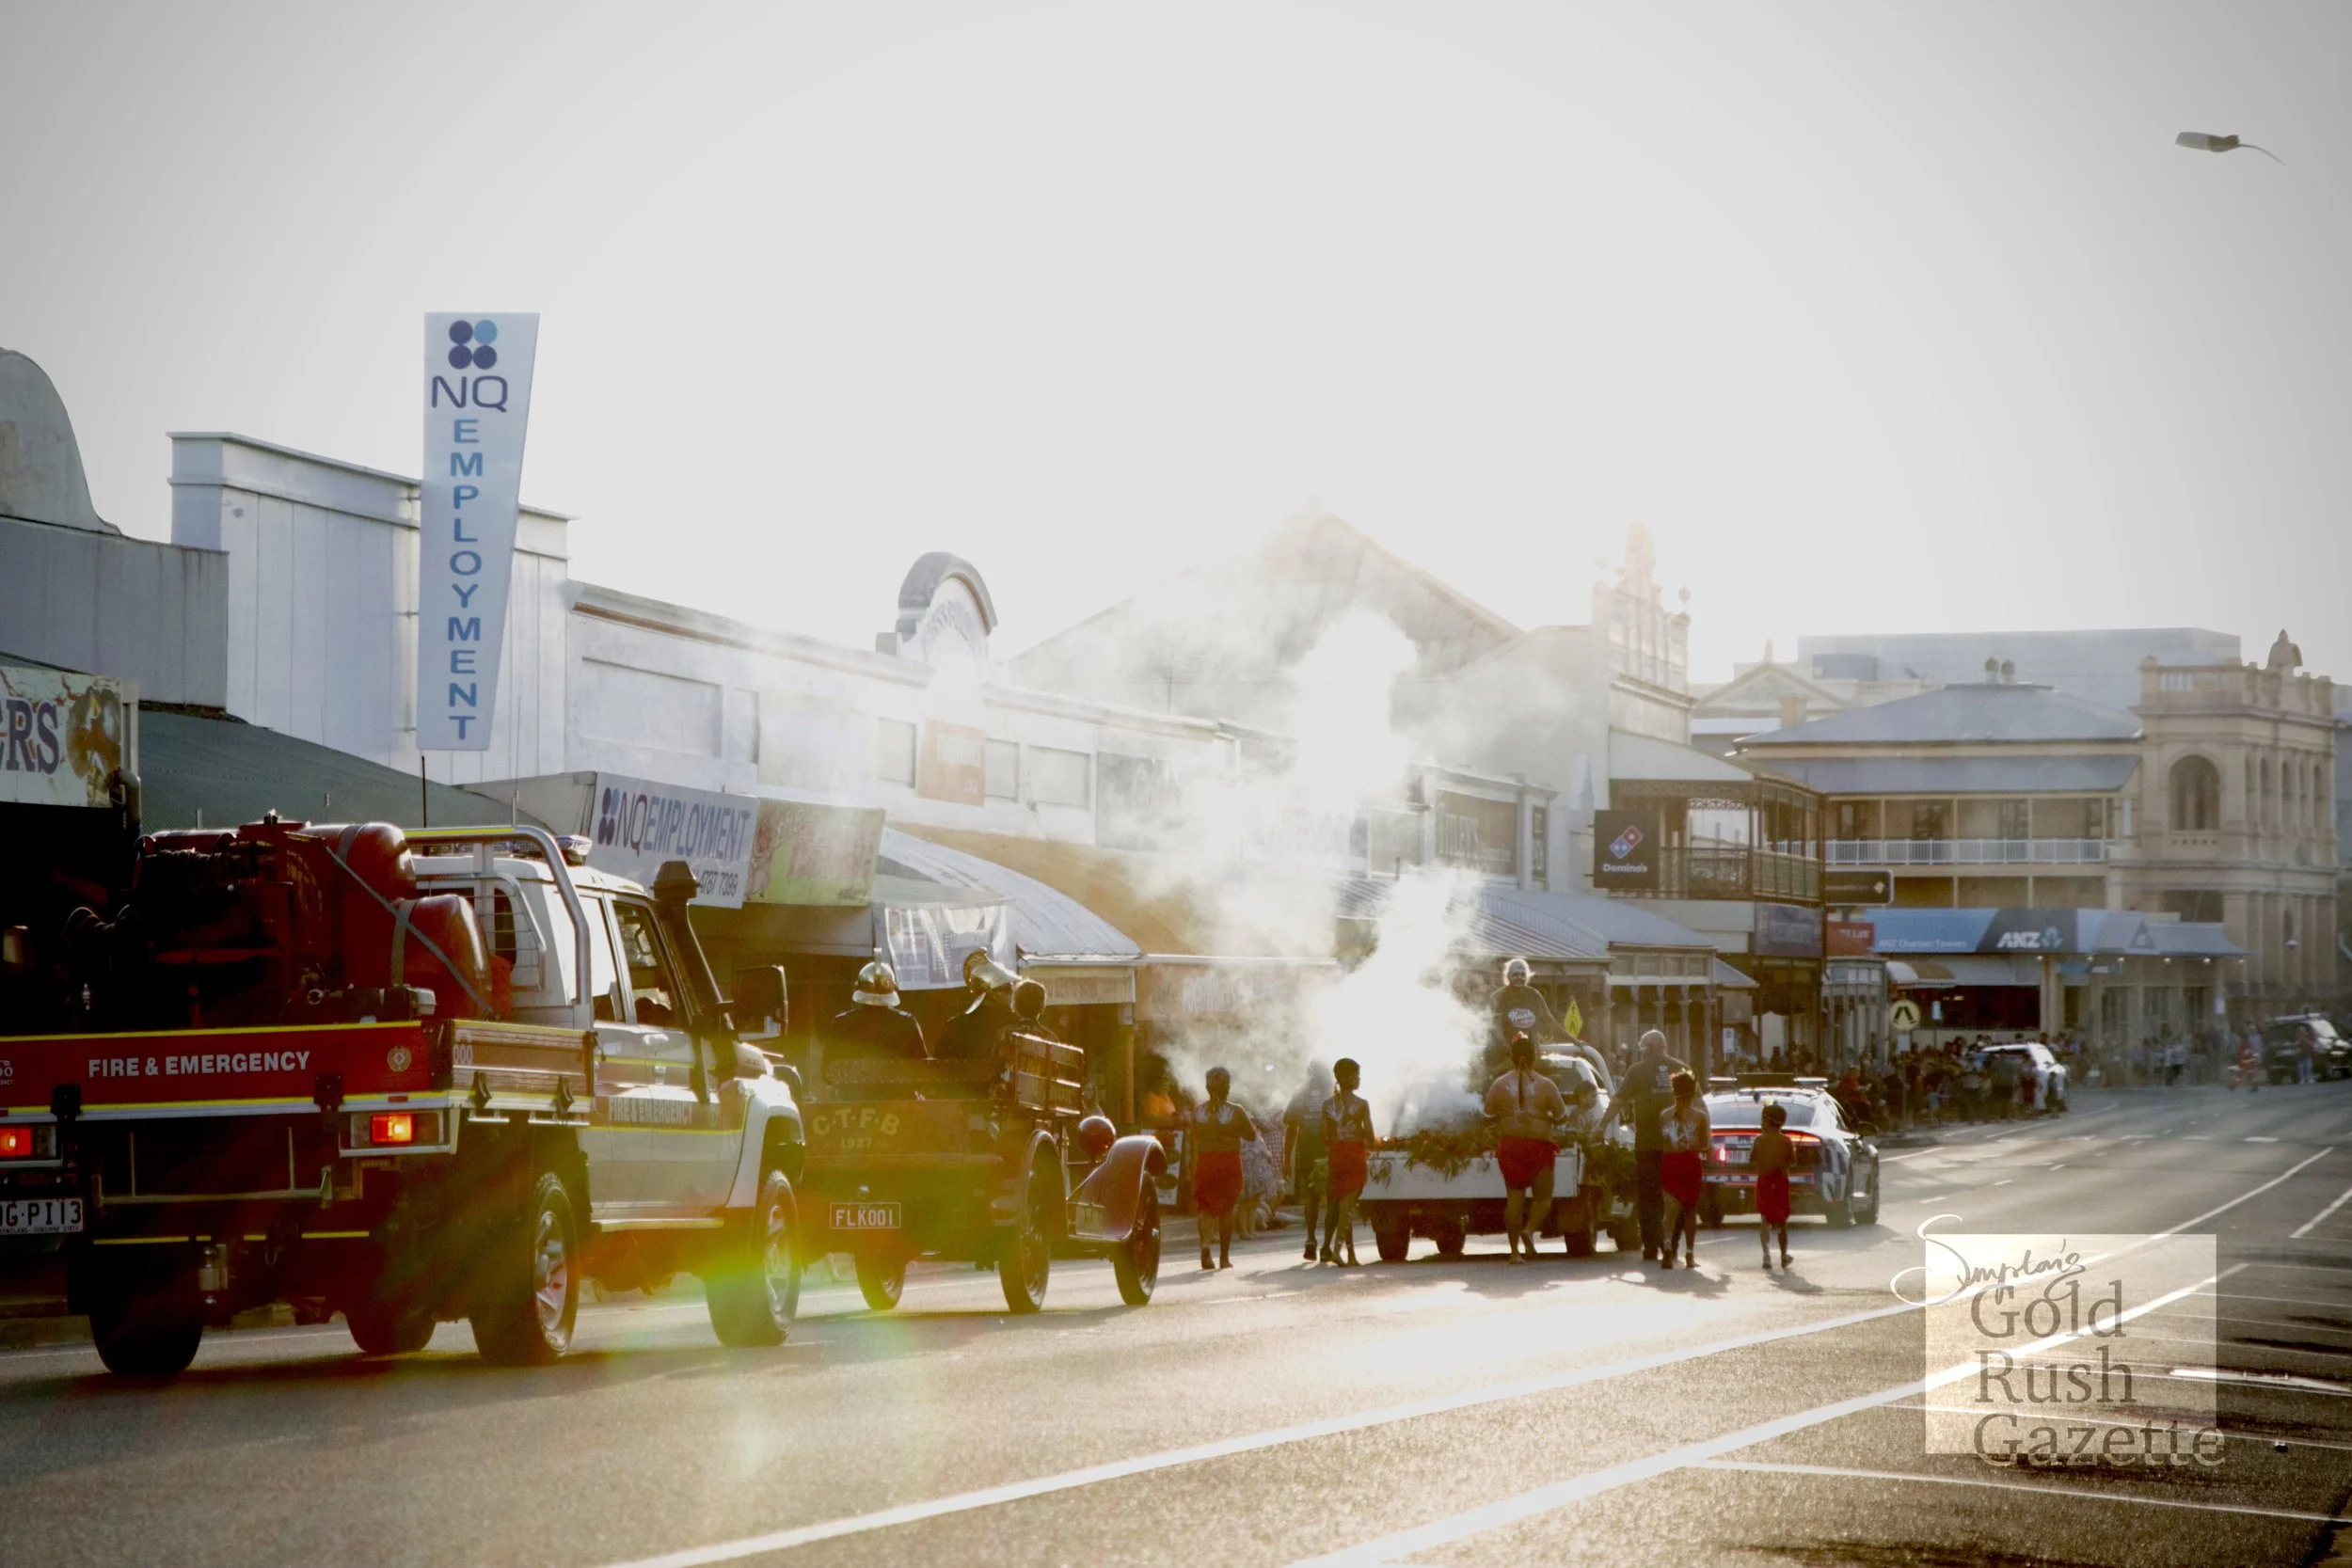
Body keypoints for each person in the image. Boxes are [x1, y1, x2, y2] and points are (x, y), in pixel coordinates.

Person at [1602, 1029, 1688, 1262]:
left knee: (1648, 1198)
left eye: (1644, 1048)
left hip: (1648, 1145)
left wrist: (1600, 1127)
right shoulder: (1680, 1068)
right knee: (1674, 1196)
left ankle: (1651, 1246)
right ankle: (1672, 1243)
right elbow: (1697, 1103)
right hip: (1676, 1146)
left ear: (1649, 1048)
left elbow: (1618, 1102)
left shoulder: (1636, 1071)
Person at [1484, 1034, 1568, 1263]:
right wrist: (1546, 1116)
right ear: (1535, 1056)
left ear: (1511, 1057)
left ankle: (1514, 1252)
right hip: (1538, 1146)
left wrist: (1508, 1117)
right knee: (1543, 1199)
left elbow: (1488, 1115)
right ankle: (1529, 1230)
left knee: (1515, 1198)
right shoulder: (1546, 1085)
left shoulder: (1499, 1084)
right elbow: (1562, 1116)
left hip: (1511, 1146)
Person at [1190, 1067, 1257, 1270]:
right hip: (1228, 1162)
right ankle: (1224, 1258)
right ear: (1228, 1087)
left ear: (1207, 1087)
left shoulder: (1198, 1112)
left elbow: (1196, 1137)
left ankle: (1204, 1245)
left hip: (1205, 1161)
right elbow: (1251, 1136)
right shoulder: (1237, 1111)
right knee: (1227, 1209)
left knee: (1205, 1207)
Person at [1321, 1058, 1374, 1266]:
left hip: (1335, 1156)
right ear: (1350, 1078)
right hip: (1353, 1156)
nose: (1359, 1079)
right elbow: (1369, 1135)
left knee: (1344, 1205)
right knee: (1347, 1206)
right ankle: (1337, 1249)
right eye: (1357, 1075)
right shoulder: (1361, 1105)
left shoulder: (1327, 1105)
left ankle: (1350, 1254)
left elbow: (1323, 1134)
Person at [1657, 1071, 1708, 1270]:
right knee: (1689, 1211)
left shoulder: (1664, 1116)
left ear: (1673, 1092)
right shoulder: (1700, 1117)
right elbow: (1704, 1145)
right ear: (1693, 1092)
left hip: (1670, 1163)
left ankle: (1668, 1247)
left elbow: (1663, 1141)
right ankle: (1689, 1254)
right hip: (1691, 1164)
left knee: (1669, 1212)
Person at [826, 959, 927, 1061]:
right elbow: (922, 1068)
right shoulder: (907, 1023)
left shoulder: (842, 1023)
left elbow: (827, 1068)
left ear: (858, 988)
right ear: (893, 989)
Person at [1283, 1062, 1332, 1262]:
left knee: (1311, 1198)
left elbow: (1291, 1129)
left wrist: (1287, 1159)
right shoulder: (1333, 1095)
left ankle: (1311, 1239)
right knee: (1331, 1198)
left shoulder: (1299, 1096)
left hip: (1307, 1155)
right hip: (1329, 1154)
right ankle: (1327, 1245)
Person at [936, 950, 1019, 1060]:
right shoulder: (1016, 1024)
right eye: (1007, 989)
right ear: (990, 992)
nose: (1012, 993)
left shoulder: (953, 1026)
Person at [1750, 1100, 1794, 1270]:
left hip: (1764, 1182)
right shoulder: (1787, 1141)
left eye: (1763, 1120)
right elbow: (1793, 1162)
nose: (1761, 1124)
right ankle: (1783, 1255)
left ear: (1770, 1122)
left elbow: (1752, 1160)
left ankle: (1766, 1256)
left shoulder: (1759, 1141)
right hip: (1781, 1182)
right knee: (1782, 1221)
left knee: (1765, 1218)